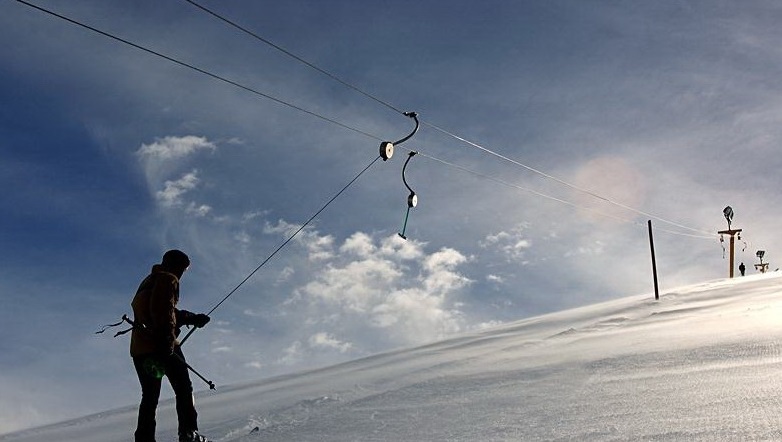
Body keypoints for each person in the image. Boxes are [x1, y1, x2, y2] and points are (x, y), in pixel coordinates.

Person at [130, 250, 211, 442]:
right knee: (183, 387)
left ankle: (144, 438)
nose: (183, 273)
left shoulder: (148, 281)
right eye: (183, 268)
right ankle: (189, 433)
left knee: (150, 396)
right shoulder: (168, 279)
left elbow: (159, 310)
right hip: (162, 346)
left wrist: (191, 318)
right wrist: (167, 341)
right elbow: (163, 311)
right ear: (176, 266)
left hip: (141, 349)